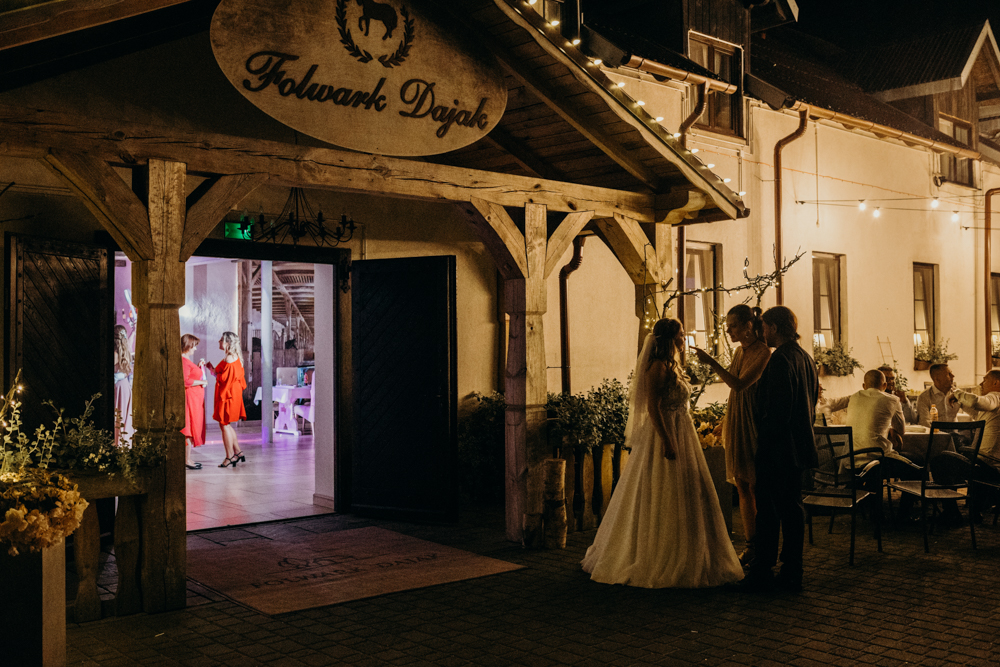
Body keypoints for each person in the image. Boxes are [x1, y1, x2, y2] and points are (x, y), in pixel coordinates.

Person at [581, 318, 744, 588]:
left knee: (689, 491)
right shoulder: (657, 366)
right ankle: (656, 552)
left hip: (683, 428)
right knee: (662, 488)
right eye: (681, 334)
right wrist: (667, 440)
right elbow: (653, 407)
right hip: (666, 431)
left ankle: (693, 550)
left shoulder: (673, 365)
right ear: (670, 339)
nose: (684, 338)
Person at [744, 306, 818, 593]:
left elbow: (776, 410)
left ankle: (763, 571)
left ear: (774, 327)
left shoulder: (780, 360)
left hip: (777, 448)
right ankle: (791, 570)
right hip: (798, 447)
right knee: (792, 509)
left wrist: (764, 441)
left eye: (764, 327)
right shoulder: (806, 358)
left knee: (768, 511)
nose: (762, 333)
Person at [693, 305, 770, 566]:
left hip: (752, 422)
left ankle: (762, 545)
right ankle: (750, 543)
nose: (728, 331)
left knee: (755, 484)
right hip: (737, 418)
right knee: (742, 483)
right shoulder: (739, 352)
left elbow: (739, 384)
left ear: (748, 325)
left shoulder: (763, 352)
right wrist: (726, 421)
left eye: (733, 326)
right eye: (727, 326)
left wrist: (711, 362)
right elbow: (733, 391)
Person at [823, 369, 906, 464]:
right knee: (914, 458)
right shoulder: (893, 400)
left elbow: (829, 403)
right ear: (885, 385)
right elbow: (901, 430)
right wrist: (891, 428)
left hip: (851, 460)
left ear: (864, 386)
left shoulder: (853, 397)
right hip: (878, 459)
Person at [205, 331, 247, 468]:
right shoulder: (235, 357)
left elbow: (223, 378)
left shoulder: (229, 358)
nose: (219, 341)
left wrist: (213, 371)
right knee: (226, 424)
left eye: (221, 339)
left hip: (228, 394)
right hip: (233, 393)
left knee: (224, 424)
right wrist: (212, 370)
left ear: (228, 343)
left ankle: (229, 456)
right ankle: (238, 452)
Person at [180, 334, 207, 470]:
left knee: (191, 427)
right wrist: (202, 382)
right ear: (188, 346)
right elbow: (185, 381)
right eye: (194, 346)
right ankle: (186, 459)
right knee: (188, 429)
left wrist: (198, 367)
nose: (195, 349)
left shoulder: (186, 360)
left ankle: (188, 458)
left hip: (194, 398)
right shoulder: (183, 361)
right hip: (189, 399)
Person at [112, 324, 134, 446]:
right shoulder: (126, 352)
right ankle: (124, 444)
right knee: (124, 416)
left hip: (117, 387)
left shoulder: (115, 355)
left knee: (118, 416)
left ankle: (117, 443)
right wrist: (134, 332)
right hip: (125, 386)